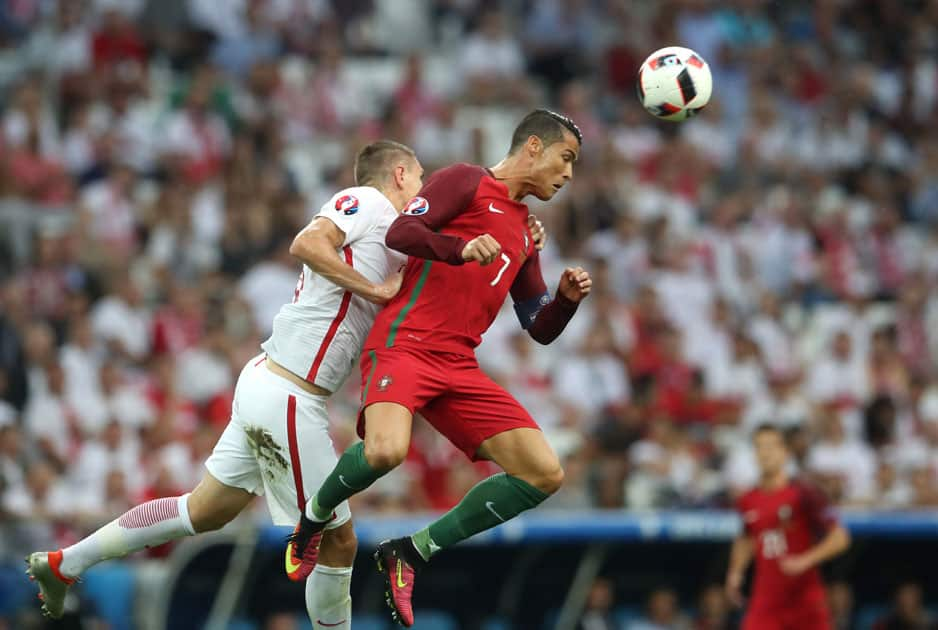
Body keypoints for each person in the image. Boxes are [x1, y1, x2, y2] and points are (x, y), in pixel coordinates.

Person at [26, 140, 547, 625]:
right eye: (420, 179)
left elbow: (446, 264)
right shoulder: (366, 201)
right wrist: (373, 289)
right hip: (291, 392)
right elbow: (307, 242)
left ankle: (67, 560)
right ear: (400, 173)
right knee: (340, 542)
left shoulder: (409, 235)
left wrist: (521, 243)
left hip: (270, 380)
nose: (426, 192)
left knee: (204, 509)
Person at [288, 109, 592, 627]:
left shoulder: (524, 231)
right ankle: (314, 516)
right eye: (565, 159)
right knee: (386, 451)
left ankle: (411, 551)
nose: (568, 175)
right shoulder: (465, 180)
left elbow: (538, 326)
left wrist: (563, 301)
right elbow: (401, 232)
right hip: (405, 343)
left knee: (544, 472)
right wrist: (459, 247)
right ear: (534, 147)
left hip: (457, 362)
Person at [725, 424, 852, 630]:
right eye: (759, 447)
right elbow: (747, 536)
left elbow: (840, 538)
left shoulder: (804, 493)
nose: (765, 453)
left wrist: (805, 560)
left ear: (785, 453)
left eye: (771, 446)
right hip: (766, 600)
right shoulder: (748, 500)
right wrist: (736, 572)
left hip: (804, 598)